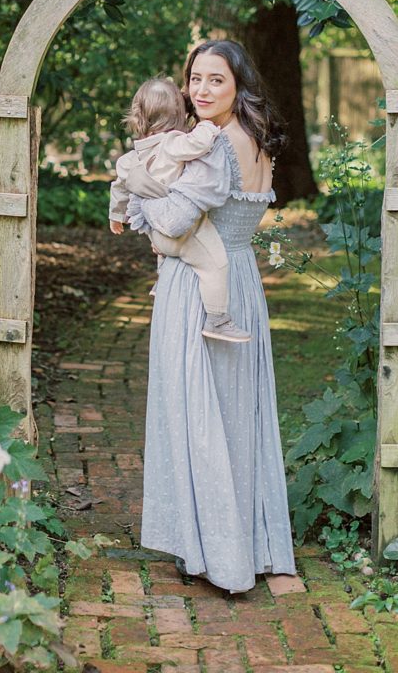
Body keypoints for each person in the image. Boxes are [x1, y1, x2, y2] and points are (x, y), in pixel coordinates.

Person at [123, 40, 296, 592]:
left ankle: (214, 554)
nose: (200, 90)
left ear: (238, 85)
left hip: (198, 285)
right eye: (194, 78)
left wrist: (135, 191)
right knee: (233, 413)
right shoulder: (252, 137)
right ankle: (240, 543)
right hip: (237, 277)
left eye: (215, 80)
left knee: (198, 412)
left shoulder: (217, 143)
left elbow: (173, 222)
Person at [109, 77, 250, 343]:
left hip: (157, 235)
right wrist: (207, 127)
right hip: (184, 234)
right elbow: (196, 144)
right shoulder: (172, 143)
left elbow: (119, 189)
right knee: (215, 264)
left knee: (163, 244)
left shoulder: (129, 159)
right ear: (180, 113)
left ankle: (162, 279)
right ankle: (218, 319)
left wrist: (116, 216)